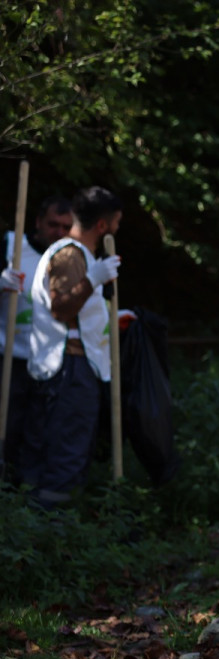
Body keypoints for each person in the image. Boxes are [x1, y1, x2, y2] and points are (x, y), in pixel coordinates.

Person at [21, 187, 123, 507]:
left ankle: (45, 526)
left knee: (63, 449)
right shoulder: (69, 255)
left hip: (76, 365)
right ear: (103, 226)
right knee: (65, 451)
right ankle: (50, 530)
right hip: (68, 368)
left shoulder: (81, 257)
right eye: (117, 222)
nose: (119, 228)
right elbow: (62, 309)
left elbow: (82, 313)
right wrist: (92, 280)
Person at [1, 195, 73, 475]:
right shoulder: (11, 246)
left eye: (66, 227)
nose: (59, 233)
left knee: (39, 433)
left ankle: (30, 496)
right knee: (7, 426)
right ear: (38, 223)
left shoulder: (71, 256)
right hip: (9, 357)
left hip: (50, 363)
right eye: (53, 224)